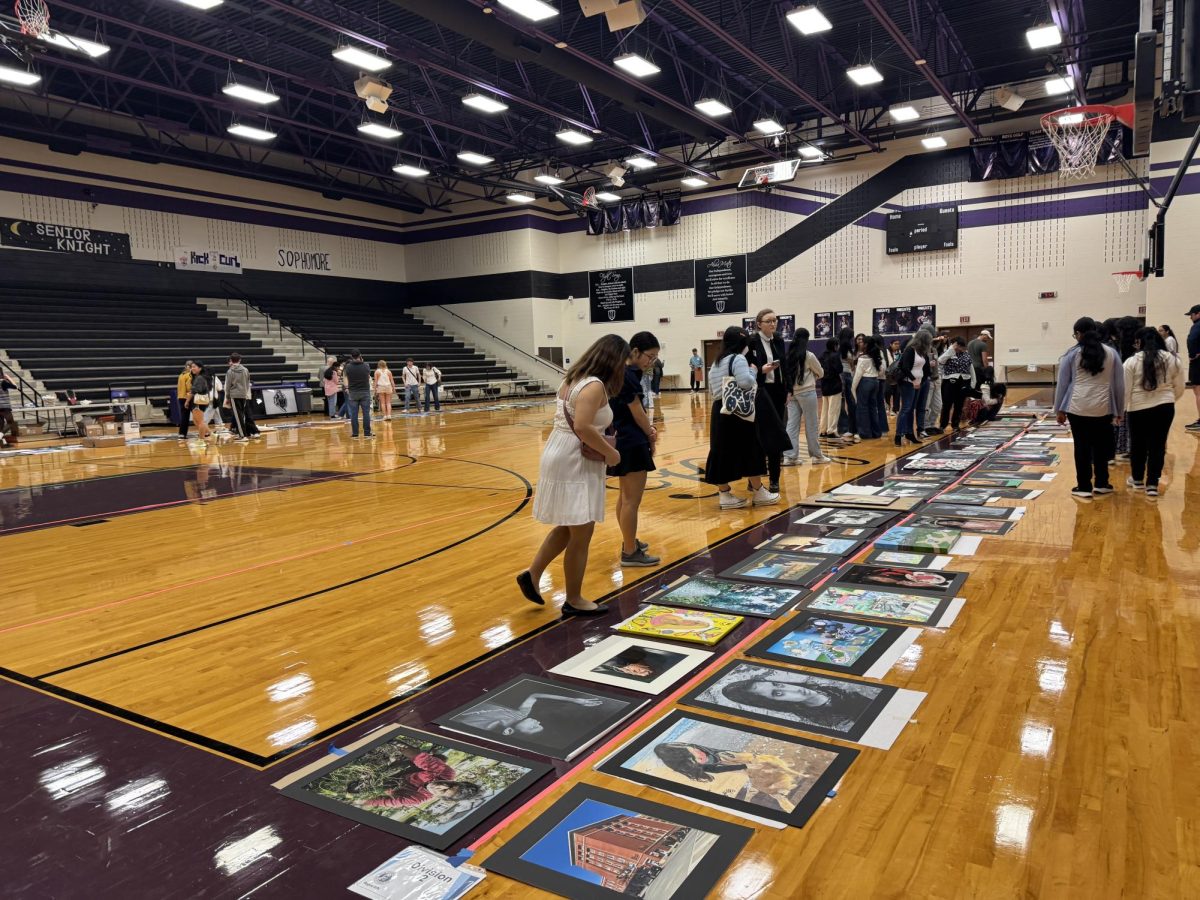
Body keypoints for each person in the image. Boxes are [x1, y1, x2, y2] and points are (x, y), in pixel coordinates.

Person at [517, 334, 627, 615]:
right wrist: (610, 453)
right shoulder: (594, 386)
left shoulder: (573, 378)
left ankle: (532, 574)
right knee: (582, 531)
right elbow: (583, 427)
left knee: (569, 524)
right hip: (574, 457)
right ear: (613, 360)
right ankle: (574, 599)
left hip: (561, 450)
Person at [704, 326, 778, 509]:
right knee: (751, 448)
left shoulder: (715, 363)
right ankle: (759, 491)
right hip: (738, 413)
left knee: (720, 451)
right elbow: (745, 383)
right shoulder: (738, 359)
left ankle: (724, 494)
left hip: (719, 410)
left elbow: (713, 390)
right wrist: (754, 371)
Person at [1055, 317, 1125, 498]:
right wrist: (1119, 410)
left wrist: (1059, 410)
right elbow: (1119, 384)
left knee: (1082, 447)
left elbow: (1062, 384)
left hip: (1077, 406)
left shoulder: (1071, 354)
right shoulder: (1111, 353)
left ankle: (1084, 486)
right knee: (1101, 446)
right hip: (1103, 407)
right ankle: (1102, 483)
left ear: (1078, 334)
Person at [608, 332, 661, 567]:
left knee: (624, 497)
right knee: (631, 501)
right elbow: (637, 412)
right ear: (636, 352)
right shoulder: (628, 375)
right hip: (632, 441)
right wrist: (650, 433)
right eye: (650, 357)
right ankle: (630, 552)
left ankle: (628, 541)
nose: (651, 362)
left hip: (624, 441)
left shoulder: (624, 372)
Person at [1124, 326, 1185, 496]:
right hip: (1165, 407)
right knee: (1158, 445)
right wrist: (1169, 400)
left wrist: (1120, 410)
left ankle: (1137, 479)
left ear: (1139, 342)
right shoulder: (1172, 360)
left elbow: (1125, 390)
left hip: (1137, 408)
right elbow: (1180, 386)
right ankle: (1152, 483)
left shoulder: (1131, 361)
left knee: (1138, 444)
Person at [745, 308, 793, 493]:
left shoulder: (778, 340)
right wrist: (760, 370)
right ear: (759, 324)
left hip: (777, 392)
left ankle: (774, 479)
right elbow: (746, 366)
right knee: (758, 437)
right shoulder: (752, 341)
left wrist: (788, 389)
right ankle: (754, 479)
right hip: (760, 391)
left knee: (777, 435)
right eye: (768, 321)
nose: (773, 324)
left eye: (775, 320)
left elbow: (785, 366)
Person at [782, 328, 832, 466]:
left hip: (792, 394)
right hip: (807, 393)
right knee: (812, 425)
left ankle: (790, 457)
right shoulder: (809, 356)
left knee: (792, 425)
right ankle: (817, 456)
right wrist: (813, 376)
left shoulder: (788, 355)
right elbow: (821, 372)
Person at [894, 329, 932, 446]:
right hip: (908, 383)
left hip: (917, 383)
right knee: (906, 408)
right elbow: (905, 367)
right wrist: (914, 379)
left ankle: (909, 433)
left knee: (911, 409)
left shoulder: (922, 352)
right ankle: (898, 434)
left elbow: (924, 368)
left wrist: (922, 380)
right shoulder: (910, 350)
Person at [851, 336, 885, 439]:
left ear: (866, 344)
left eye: (863, 342)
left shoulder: (862, 358)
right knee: (873, 408)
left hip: (865, 382)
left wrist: (852, 388)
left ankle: (865, 433)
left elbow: (858, 374)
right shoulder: (876, 355)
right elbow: (881, 371)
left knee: (862, 408)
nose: (861, 343)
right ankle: (876, 432)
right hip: (875, 381)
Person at [939, 337, 975, 431]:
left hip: (964, 381)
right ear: (955, 345)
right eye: (959, 346)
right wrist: (951, 350)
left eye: (962, 346)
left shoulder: (966, 354)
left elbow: (971, 369)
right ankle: (943, 425)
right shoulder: (948, 352)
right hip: (949, 381)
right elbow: (940, 361)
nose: (961, 348)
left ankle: (955, 424)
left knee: (959, 404)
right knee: (947, 404)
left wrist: (973, 383)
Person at [224, 352, 260, 441]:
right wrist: (244, 392)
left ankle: (242, 436)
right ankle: (245, 433)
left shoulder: (230, 371)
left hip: (234, 395)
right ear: (240, 360)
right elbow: (248, 383)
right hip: (244, 395)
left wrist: (227, 397)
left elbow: (228, 386)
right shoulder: (245, 370)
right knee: (242, 415)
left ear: (231, 360)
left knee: (238, 416)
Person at [343, 349, 374, 438]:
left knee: (354, 414)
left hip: (353, 392)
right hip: (365, 392)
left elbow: (345, 378)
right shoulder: (366, 365)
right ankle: (367, 433)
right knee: (366, 414)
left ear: (351, 356)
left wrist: (347, 388)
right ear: (360, 355)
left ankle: (355, 433)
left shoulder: (348, 366)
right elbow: (368, 376)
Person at [835, 328, 859, 442]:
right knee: (850, 402)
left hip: (841, 375)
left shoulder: (838, 346)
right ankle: (851, 427)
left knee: (842, 402)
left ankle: (844, 428)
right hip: (846, 375)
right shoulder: (845, 347)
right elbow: (851, 362)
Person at [818, 338, 844, 440]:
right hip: (835, 385)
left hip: (824, 384)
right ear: (835, 346)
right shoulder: (835, 355)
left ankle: (823, 430)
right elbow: (839, 369)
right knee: (834, 409)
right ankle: (832, 430)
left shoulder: (821, 356)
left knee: (825, 409)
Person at [923, 332, 945, 436]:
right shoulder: (922, 350)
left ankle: (932, 424)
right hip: (927, 380)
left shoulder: (935, 349)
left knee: (938, 406)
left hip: (937, 380)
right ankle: (925, 426)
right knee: (926, 405)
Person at [187, 362, 212, 441]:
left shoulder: (200, 378)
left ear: (200, 368)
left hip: (198, 401)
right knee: (196, 420)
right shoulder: (199, 377)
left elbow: (194, 390)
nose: (192, 368)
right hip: (200, 401)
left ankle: (201, 440)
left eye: (194, 367)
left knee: (200, 422)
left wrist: (187, 401)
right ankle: (213, 435)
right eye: (191, 367)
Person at [1186, 304, 1200, 431]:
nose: (1190, 317)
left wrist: (1193, 355)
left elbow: (1192, 340)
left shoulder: (1197, 326)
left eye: (1191, 314)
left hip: (1198, 363)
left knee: (1198, 392)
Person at [883, 338, 903, 415]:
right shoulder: (886, 352)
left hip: (897, 375)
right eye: (895, 344)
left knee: (897, 393)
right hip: (888, 375)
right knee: (887, 392)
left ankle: (895, 409)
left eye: (898, 344)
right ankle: (887, 407)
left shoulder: (900, 352)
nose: (897, 345)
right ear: (890, 344)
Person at [176, 359, 194, 439]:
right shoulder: (189, 375)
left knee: (184, 416)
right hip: (187, 398)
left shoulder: (181, 375)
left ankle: (182, 433)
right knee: (197, 416)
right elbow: (189, 387)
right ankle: (204, 431)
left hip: (180, 397)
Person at [0, 374, 18, 447]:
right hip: (4, 406)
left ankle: (3, 444)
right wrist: (9, 378)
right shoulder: (2, 382)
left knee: (1, 425)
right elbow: (15, 387)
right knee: (10, 422)